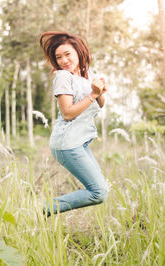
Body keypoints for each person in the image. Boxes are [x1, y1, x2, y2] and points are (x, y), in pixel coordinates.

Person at [39, 31, 108, 217]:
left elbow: (101, 104)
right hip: (67, 143)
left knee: (102, 190)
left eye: (68, 54)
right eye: (58, 57)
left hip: (80, 142)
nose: (64, 60)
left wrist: (99, 90)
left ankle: (43, 210)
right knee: (98, 192)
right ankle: (42, 209)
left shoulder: (86, 74)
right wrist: (92, 94)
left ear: (78, 52)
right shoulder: (62, 77)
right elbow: (67, 113)